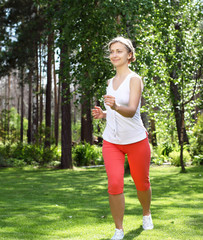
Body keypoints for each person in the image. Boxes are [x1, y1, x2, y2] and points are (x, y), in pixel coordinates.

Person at [92, 36, 153, 240]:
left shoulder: (134, 79)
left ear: (129, 55)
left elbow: (132, 110)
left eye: (119, 51)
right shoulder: (110, 82)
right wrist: (105, 114)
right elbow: (116, 113)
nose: (114, 55)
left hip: (136, 140)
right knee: (115, 183)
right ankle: (119, 229)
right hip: (112, 141)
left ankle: (146, 213)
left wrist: (115, 106)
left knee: (141, 183)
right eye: (111, 52)